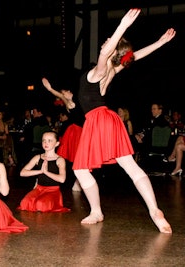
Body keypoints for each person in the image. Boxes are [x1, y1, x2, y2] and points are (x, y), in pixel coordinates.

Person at [72, 9, 175, 233]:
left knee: (80, 170)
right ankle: (154, 210)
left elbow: (107, 53)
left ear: (112, 52)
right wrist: (159, 42)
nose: (107, 42)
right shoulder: (113, 70)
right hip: (110, 119)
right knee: (131, 167)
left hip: (98, 120)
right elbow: (134, 56)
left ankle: (96, 211)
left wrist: (122, 26)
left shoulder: (99, 70)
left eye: (110, 42)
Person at [42, 77, 85, 191]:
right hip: (77, 133)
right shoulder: (70, 103)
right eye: (63, 92)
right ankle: (75, 182)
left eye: (65, 91)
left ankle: (77, 182)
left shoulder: (77, 99)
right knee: (78, 158)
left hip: (81, 131)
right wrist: (50, 89)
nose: (64, 93)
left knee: (80, 159)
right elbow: (61, 96)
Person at [18, 131, 70, 212]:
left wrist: (46, 172)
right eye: (44, 140)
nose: (46, 143)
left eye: (50, 141)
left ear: (57, 144)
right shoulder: (38, 157)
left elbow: (62, 179)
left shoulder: (60, 160)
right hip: (39, 189)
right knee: (24, 203)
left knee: (40, 205)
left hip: (53, 190)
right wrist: (40, 171)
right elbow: (22, 173)